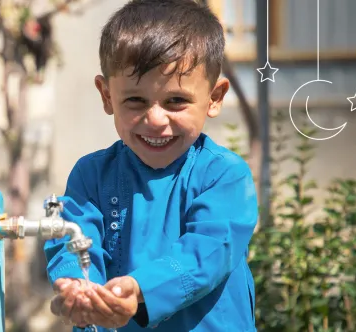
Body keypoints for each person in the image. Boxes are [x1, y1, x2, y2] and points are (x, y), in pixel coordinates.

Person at [44, 0, 259, 331]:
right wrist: (75, 286)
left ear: (214, 98)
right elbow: (71, 238)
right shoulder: (91, 176)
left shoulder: (223, 175)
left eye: (176, 101)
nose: (156, 119)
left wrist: (136, 288)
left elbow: (207, 253)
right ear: (106, 96)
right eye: (135, 101)